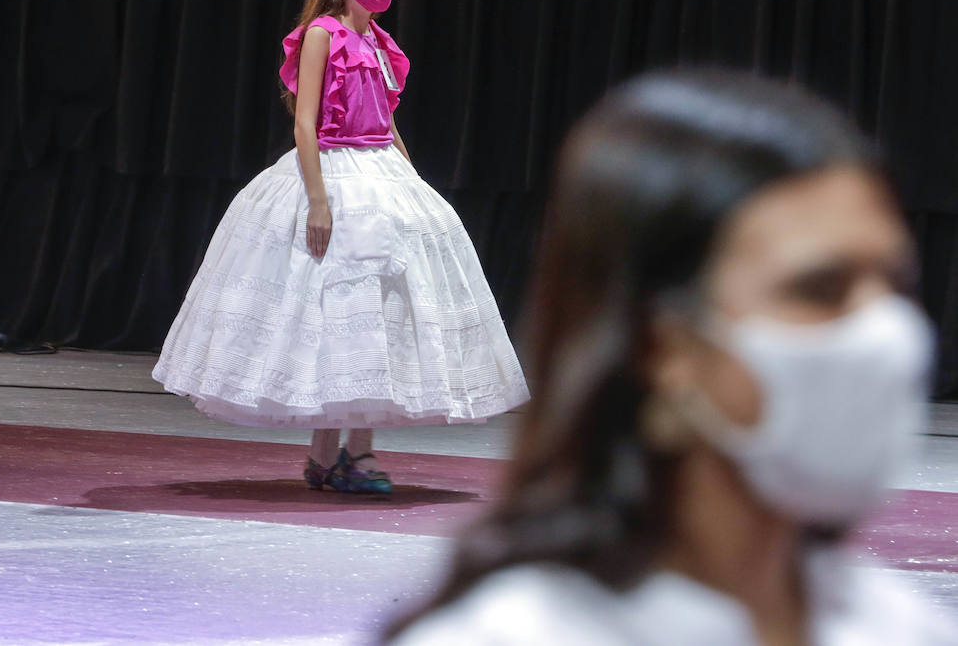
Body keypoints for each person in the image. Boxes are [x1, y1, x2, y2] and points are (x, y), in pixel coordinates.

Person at [391, 70, 950, 644]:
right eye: (819, 289)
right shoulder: (520, 634)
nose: (886, 331)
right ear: (665, 345)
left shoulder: (893, 623)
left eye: (896, 285)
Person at [153, 0, 529, 494]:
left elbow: (387, 120)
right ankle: (339, 454)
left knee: (377, 315)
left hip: (380, 172)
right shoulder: (320, 36)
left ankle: (347, 452)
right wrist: (318, 200)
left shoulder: (378, 42)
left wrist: (413, 182)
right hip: (334, 170)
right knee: (334, 314)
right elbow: (305, 122)